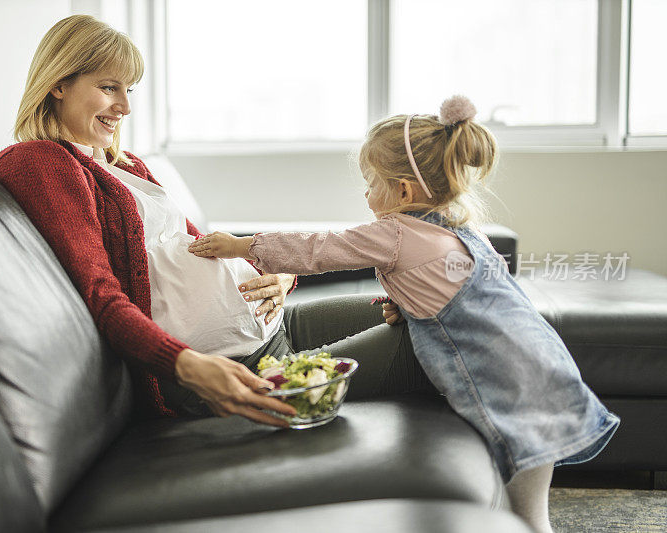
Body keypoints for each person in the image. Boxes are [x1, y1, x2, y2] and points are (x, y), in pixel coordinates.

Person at [188, 95, 621, 533]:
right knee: (526, 503)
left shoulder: (396, 232)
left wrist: (245, 246)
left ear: (403, 191)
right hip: (541, 362)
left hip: (504, 378)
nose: (366, 193)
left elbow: (320, 248)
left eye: (371, 182)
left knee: (527, 518)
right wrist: (412, 307)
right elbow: (461, 296)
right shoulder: (460, 230)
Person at [0, 15, 434, 430]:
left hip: (274, 325)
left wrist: (279, 278)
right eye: (109, 87)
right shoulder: (40, 162)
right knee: (433, 343)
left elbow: (206, 247)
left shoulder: (123, 165)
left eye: (128, 90)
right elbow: (99, 293)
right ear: (57, 85)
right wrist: (188, 365)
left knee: (433, 314)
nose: (124, 106)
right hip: (237, 365)